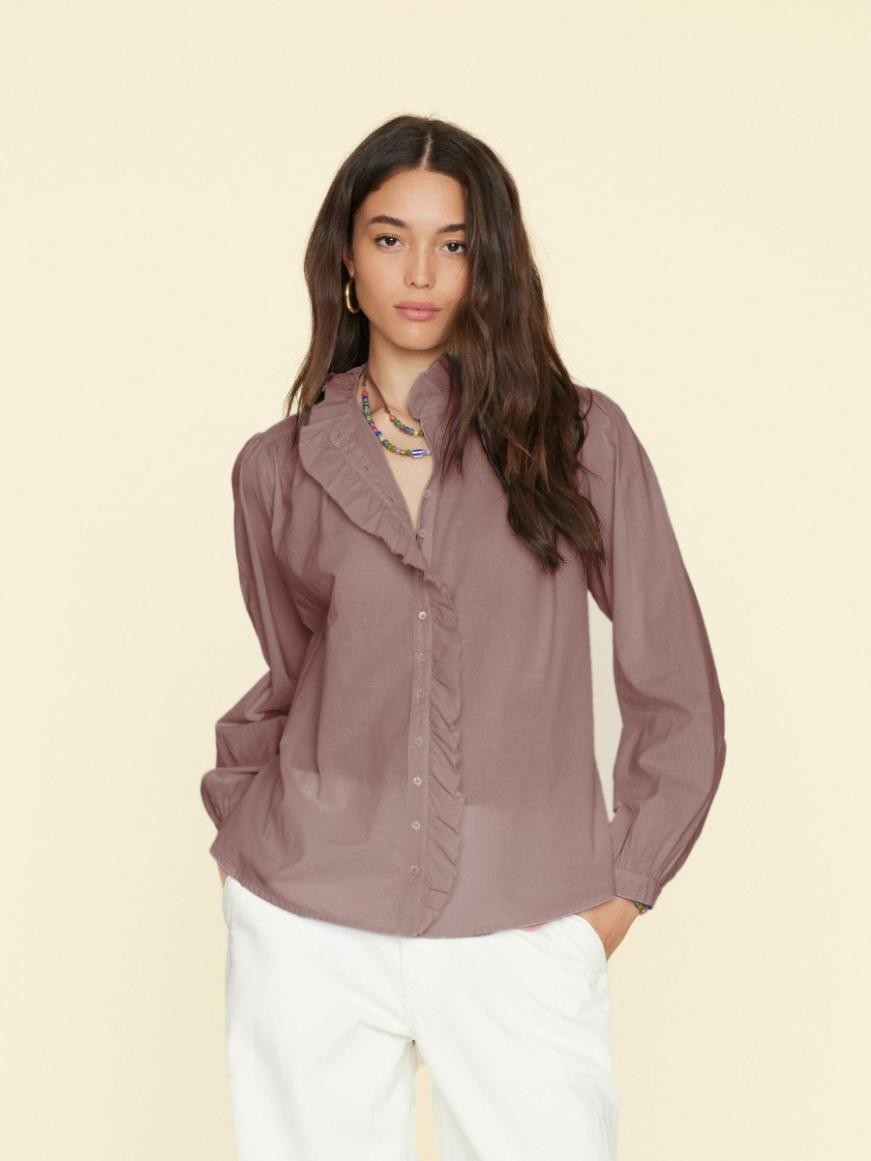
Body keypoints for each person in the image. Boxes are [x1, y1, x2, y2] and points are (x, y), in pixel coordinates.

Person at [200, 114, 727, 1161]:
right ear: (345, 260)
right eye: (389, 238)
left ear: (490, 265)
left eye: (453, 243)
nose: (420, 272)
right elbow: (300, 672)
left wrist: (619, 896)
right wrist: (247, 851)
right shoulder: (275, 467)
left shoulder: (578, 439)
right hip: (308, 918)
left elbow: (675, 685)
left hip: (522, 919)